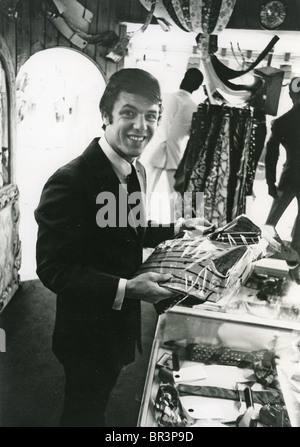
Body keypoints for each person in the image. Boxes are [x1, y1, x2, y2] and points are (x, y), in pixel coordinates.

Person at [34, 68, 205, 427]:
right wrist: (128, 289)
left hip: (118, 327)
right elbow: (54, 269)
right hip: (84, 333)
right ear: (106, 115)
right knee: (83, 412)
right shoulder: (70, 181)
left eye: (151, 116)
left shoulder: (135, 169)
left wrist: (176, 227)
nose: (141, 126)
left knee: (99, 400)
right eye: (129, 113)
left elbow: (130, 228)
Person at [140, 68, 204, 197]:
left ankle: (138, 216)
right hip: (175, 154)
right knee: (177, 197)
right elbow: (191, 134)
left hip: (155, 149)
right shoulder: (195, 109)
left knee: (144, 191)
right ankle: (178, 218)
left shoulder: (164, 98)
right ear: (197, 87)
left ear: (183, 78)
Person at [265, 76, 300, 283]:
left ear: (291, 94)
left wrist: (270, 183)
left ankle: (289, 260)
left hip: (288, 178)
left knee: (270, 225)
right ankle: (295, 265)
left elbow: (272, 156)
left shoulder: (281, 122)